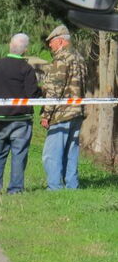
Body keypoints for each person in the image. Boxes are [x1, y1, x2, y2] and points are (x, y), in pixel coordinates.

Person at [0, 33, 41, 194]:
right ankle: (15, 189)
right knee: (19, 154)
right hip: (20, 117)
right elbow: (32, 94)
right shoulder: (26, 68)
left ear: (10, 45)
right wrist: (42, 91)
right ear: (25, 50)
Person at [40, 25, 87, 190]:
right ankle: (72, 185)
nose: (50, 45)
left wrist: (46, 114)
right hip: (77, 112)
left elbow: (55, 89)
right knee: (71, 152)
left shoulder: (61, 59)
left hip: (61, 114)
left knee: (51, 154)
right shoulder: (79, 58)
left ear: (60, 41)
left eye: (51, 42)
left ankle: (54, 187)